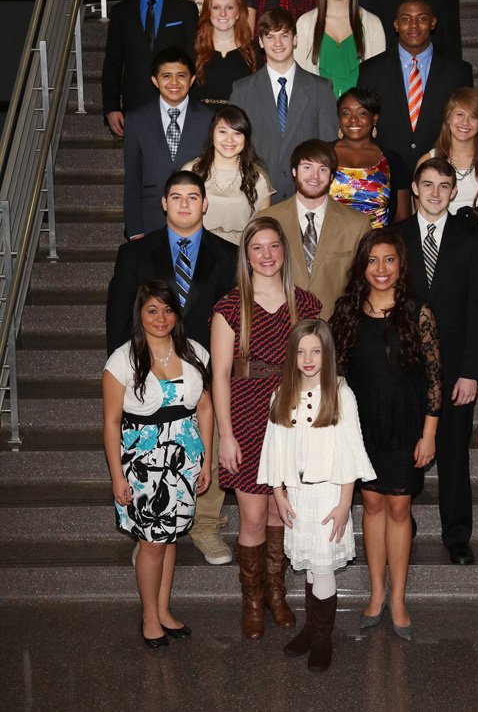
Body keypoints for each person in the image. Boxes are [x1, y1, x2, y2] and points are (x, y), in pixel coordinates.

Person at [106, 171, 237, 567]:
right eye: (176, 196)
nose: (184, 204)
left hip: (204, 368)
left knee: (204, 445)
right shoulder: (134, 254)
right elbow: (118, 318)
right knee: (149, 449)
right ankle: (148, 530)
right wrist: (126, 373)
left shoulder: (228, 254)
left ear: (204, 203)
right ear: (163, 203)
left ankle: (206, 525)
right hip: (150, 368)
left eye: (192, 196)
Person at [211, 218, 321, 640]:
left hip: (292, 418)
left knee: (282, 512)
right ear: (247, 255)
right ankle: (253, 601)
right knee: (254, 515)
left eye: (274, 246)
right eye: (257, 247)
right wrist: (227, 434)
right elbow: (220, 375)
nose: (267, 255)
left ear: (283, 252)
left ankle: (278, 593)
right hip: (246, 414)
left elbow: (317, 368)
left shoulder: (306, 304)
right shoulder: (230, 306)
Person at [330, 230, 442, 640]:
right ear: (363, 265)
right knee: (372, 508)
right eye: (373, 260)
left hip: (407, 426)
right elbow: (334, 377)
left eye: (389, 260)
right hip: (362, 429)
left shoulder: (418, 312)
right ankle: (376, 595)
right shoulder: (345, 312)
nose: (381, 269)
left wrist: (429, 434)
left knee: (399, 510)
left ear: (401, 265)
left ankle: (399, 601)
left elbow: (435, 379)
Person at [258, 319, 375, 672]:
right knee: (309, 565)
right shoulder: (281, 395)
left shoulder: (341, 394)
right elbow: (274, 448)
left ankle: (323, 639)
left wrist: (344, 504)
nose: (308, 359)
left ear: (327, 354)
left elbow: (351, 451)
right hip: (296, 494)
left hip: (328, 496)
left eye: (316, 351)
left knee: (323, 568)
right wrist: (278, 495)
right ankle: (312, 630)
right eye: (300, 351)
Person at [102, 280, 212, 648]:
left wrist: (206, 459)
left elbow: (206, 408)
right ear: (140, 315)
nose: (160, 317)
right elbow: (111, 422)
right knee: (151, 543)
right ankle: (150, 616)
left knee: (171, 537)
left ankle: (164, 610)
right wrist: (117, 476)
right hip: (143, 463)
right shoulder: (122, 360)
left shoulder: (196, 352)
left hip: (184, 459)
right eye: (152, 310)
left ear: (176, 314)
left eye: (167, 310)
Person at [395, 158, 478, 566]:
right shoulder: (394, 238)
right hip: (404, 369)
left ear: (454, 192)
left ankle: (457, 537)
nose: (435, 192)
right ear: (414, 188)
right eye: (428, 184)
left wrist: (471, 372)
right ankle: (404, 528)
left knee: (453, 453)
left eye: (444, 186)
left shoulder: (471, 239)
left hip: (454, 371)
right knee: (403, 452)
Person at [419, 88, 478, 449]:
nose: (464, 123)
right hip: (438, 259)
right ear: (447, 118)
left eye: (472, 117)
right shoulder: (428, 159)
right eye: (458, 114)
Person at [230, 7, 338, 203]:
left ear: (295, 39)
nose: (278, 43)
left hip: (306, 198)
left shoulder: (320, 89)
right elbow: (233, 151)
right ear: (261, 42)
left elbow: (328, 149)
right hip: (256, 198)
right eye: (270, 37)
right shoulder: (242, 90)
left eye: (284, 36)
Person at [256, 139, 371, 319]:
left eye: (323, 169)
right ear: (294, 171)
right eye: (307, 167)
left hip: (336, 331)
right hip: (278, 330)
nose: (314, 176)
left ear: (332, 176)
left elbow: (363, 285)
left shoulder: (357, 224)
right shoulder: (267, 220)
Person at [358, 0, 473, 176]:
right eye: (405, 19)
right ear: (396, 25)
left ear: (433, 23)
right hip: (386, 174)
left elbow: (466, 122)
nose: (413, 25)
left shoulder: (458, 72)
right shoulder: (370, 71)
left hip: (440, 175)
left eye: (421, 18)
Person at [102, 0, 198, 136]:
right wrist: (111, 107)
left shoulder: (185, 9)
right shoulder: (121, 12)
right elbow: (113, 62)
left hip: (177, 101)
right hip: (135, 104)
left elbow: (193, 58)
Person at [123, 48, 212, 239]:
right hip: (151, 220)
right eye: (166, 76)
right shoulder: (136, 120)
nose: (174, 83)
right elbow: (132, 179)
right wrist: (135, 229)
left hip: (199, 220)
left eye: (181, 76)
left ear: (192, 79)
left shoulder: (209, 119)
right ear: (155, 80)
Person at [295, 0, 386, 98]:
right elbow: (299, 82)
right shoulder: (305, 24)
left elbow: (379, 80)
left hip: (359, 117)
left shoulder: (373, 24)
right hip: (318, 117)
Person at [182, 104, 274, 245]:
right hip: (198, 251)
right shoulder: (191, 171)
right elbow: (179, 220)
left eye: (237, 133)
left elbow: (262, 229)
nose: (229, 140)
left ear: (246, 139)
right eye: (223, 132)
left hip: (240, 254)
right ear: (212, 133)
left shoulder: (257, 178)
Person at [331, 87, 412, 227]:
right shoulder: (321, 155)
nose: (353, 120)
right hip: (330, 244)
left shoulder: (393, 161)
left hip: (377, 244)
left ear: (374, 118)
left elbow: (402, 216)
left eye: (362, 113)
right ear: (339, 118)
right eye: (346, 113)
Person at [194, 0, 258, 110]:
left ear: (238, 13)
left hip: (239, 124)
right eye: (216, 7)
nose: (223, 13)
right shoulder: (194, 49)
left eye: (229, 7)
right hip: (201, 123)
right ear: (208, 12)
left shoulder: (253, 51)